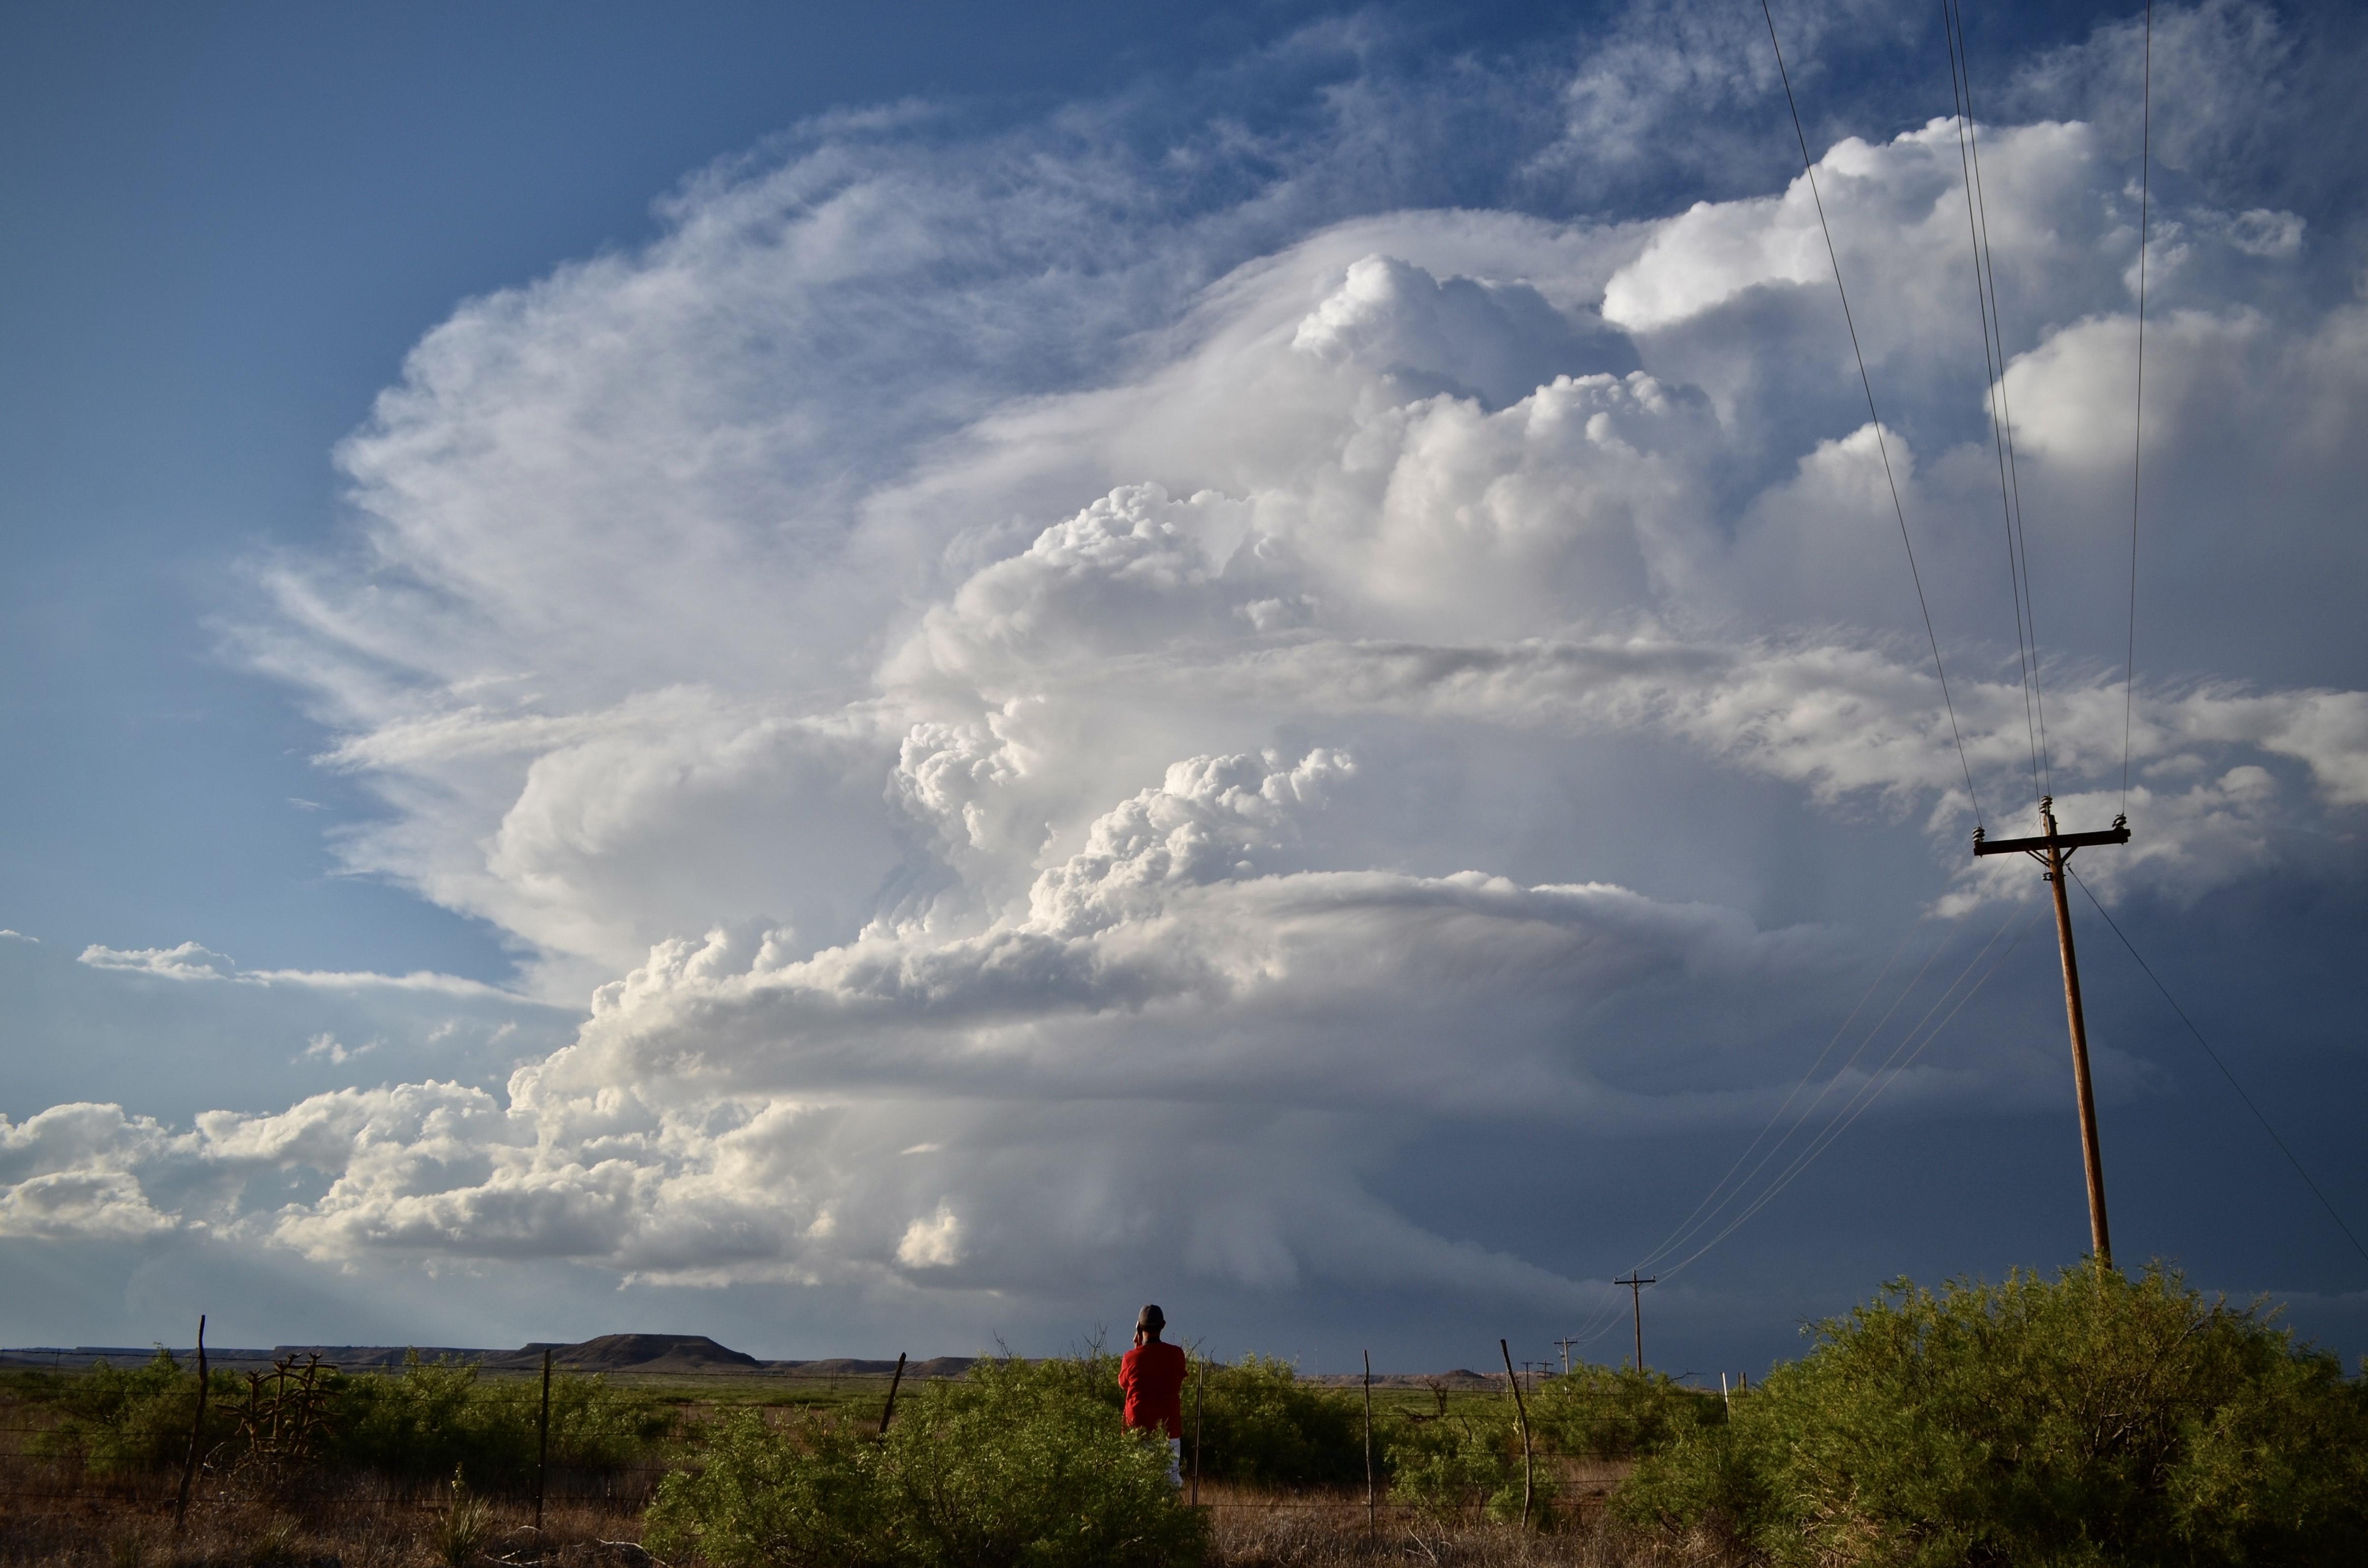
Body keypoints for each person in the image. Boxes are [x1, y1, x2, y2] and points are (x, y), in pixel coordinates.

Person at [1118, 1303, 1189, 1486]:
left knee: (1136, 1482)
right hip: (1168, 1430)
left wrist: (1136, 1348)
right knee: (1169, 1481)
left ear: (1140, 1328)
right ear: (1163, 1326)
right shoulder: (1176, 1355)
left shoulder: (1130, 1358)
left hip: (1137, 1430)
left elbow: (1123, 1384)